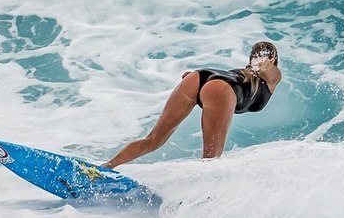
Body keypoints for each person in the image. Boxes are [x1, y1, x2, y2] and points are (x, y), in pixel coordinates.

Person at [102, 41, 281, 169]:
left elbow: (258, 69)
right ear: (272, 59)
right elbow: (265, 69)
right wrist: (265, 63)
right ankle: (204, 202)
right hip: (220, 88)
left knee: (153, 141)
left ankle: (107, 167)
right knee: (211, 160)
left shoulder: (252, 74)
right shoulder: (273, 77)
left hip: (198, 77)